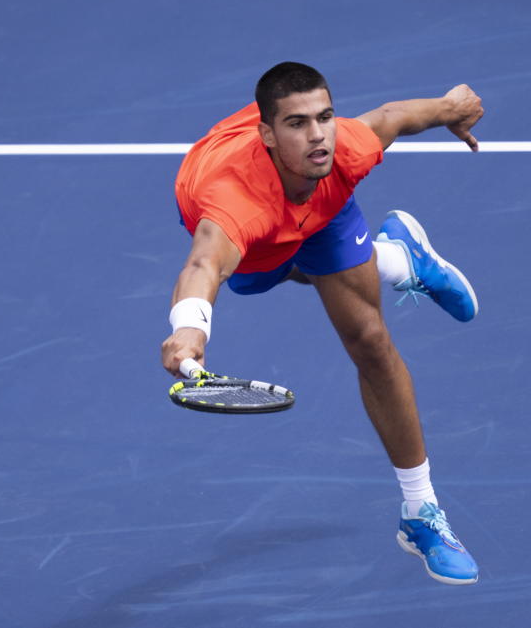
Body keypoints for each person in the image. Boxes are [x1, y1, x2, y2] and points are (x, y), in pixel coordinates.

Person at [160, 62, 483, 585]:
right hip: (254, 226)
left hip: (321, 207)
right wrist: (189, 328)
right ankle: (398, 260)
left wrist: (453, 108)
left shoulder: (342, 150)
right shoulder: (235, 206)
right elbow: (202, 265)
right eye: (296, 124)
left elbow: (394, 116)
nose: (317, 135)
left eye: (325, 117)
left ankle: (420, 514)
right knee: (290, 265)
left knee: (370, 339)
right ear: (267, 133)